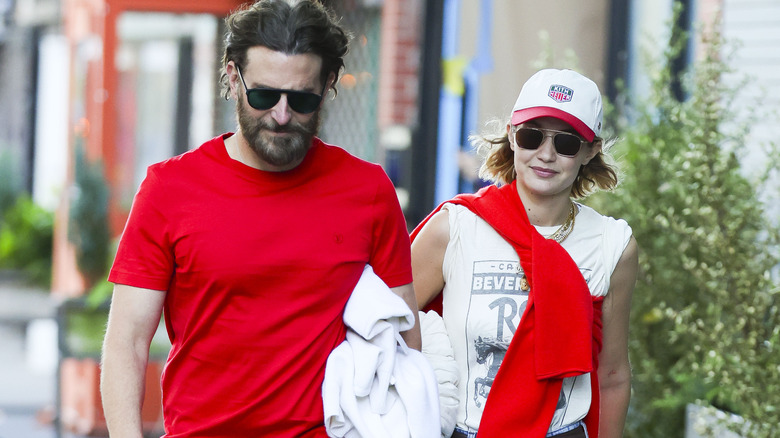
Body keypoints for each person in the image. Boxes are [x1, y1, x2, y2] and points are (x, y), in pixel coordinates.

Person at [100, 1, 420, 436]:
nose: (282, 115)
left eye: (302, 99)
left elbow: (403, 342)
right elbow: (127, 342)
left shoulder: (369, 191)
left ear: (328, 85)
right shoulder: (169, 189)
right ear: (233, 78)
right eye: (265, 95)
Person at [411, 68, 638, 438]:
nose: (545, 154)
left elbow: (612, 375)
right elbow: (387, 326)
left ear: (590, 151)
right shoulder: (455, 228)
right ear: (513, 137)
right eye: (532, 136)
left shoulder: (612, 245)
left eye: (566, 143)